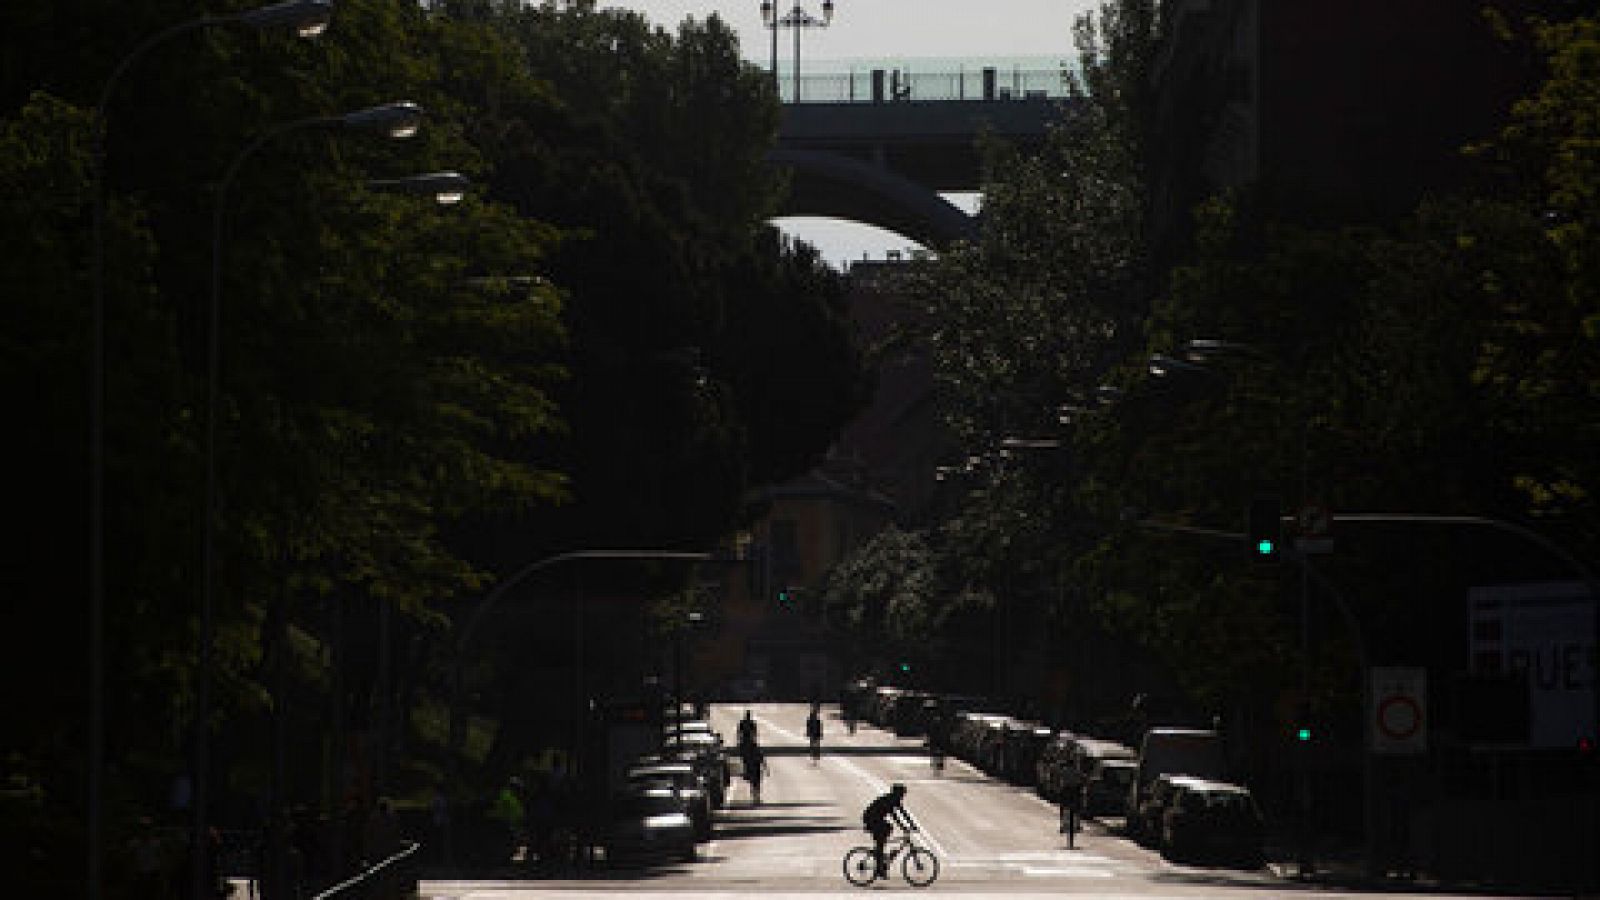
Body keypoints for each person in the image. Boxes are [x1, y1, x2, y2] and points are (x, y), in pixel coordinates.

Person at [862, 783, 918, 879]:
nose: (903, 797)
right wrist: (904, 827)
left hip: (877, 819)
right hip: (870, 819)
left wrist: (912, 824)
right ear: (897, 793)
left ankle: (881, 857)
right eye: (902, 794)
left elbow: (904, 813)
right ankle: (879, 869)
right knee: (884, 834)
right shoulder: (889, 800)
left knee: (887, 829)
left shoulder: (894, 800)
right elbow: (894, 816)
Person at [1059, 763, 1085, 848]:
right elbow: (1083, 780)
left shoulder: (1064, 771)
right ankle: (1077, 824)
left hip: (1067, 791)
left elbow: (1060, 780)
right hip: (1075, 792)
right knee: (1078, 808)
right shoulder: (1078, 771)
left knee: (1063, 807)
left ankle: (1062, 824)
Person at [740, 741, 770, 805]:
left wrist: (744, 771)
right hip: (756, 770)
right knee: (757, 785)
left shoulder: (747, 753)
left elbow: (744, 762)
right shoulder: (758, 752)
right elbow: (763, 761)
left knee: (753, 784)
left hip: (751, 770)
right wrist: (766, 769)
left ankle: (754, 798)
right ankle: (756, 798)